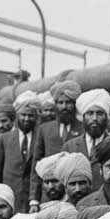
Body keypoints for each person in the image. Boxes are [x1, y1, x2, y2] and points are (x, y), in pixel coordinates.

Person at [31, 81, 85, 210]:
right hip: (50, 193)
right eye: (60, 103)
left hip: (76, 193)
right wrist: (33, 200)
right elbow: (36, 164)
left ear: (75, 105)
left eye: (69, 103)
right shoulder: (45, 129)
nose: (64, 106)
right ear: (56, 105)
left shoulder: (84, 128)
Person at [0, 90, 40, 212]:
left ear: (36, 117)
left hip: (34, 202)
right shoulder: (4, 139)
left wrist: (35, 200)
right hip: (9, 201)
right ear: (17, 115)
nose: (26, 119)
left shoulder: (41, 137)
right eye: (23, 115)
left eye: (30, 115)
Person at [63, 88, 110, 191]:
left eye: (99, 113)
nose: (94, 118)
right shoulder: (69, 147)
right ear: (83, 117)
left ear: (106, 117)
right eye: (90, 113)